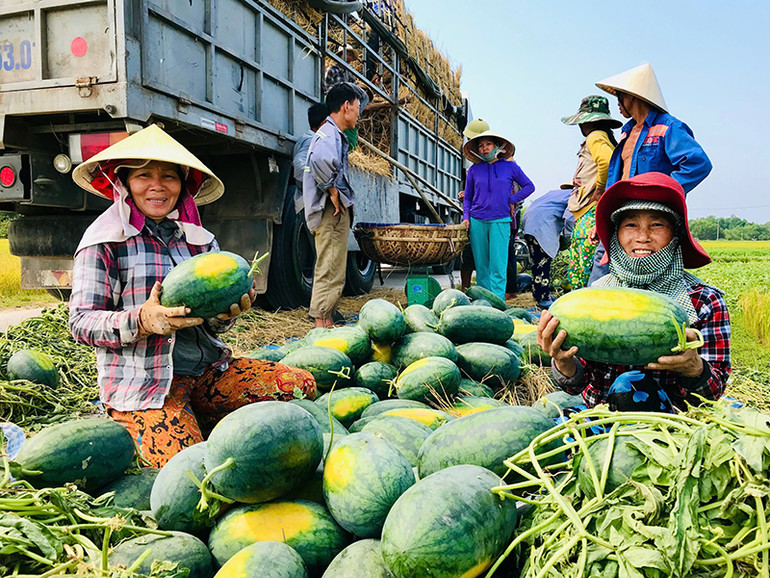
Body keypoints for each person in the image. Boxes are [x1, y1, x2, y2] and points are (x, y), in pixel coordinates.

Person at [69, 125, 316, 467]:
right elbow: (80, 323)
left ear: (183, 184)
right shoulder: (104, 241)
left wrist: (225, 316)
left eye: (169, 176)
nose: (157, 185)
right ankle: (146, 422)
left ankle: (199, 415)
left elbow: (210, 325)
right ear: (124, 182)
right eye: (144, 175)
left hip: (206, 373)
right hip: (146, 386)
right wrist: (141, 320)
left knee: (298, 386)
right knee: (192, 471)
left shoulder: (201, 242)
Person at [537, 172, 730, 411]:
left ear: (676, 235)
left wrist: (695, 369)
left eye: (657, 224)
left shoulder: (705, 301)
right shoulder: (596, 296)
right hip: (603, 423)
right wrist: (564, 363)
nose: (642, 237)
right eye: (630, 225)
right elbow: (578, 386)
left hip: (675, 430)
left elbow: (715, 392)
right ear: (616, 234)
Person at [588, 63, 713, 284]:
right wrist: (602, 219)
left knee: (653, 277)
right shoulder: (626, 133)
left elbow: (698, 163)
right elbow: (616, 180)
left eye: (620, 96)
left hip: (654, 217)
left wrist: (661, 192)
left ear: (633, 96)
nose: (618, 103)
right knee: (603, 268)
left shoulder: (668, 127)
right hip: (622, 214)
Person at [303, 83, 360, 329]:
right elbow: (319, 159)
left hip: (332, 209)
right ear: (346, 107)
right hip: (329, 210)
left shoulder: (333, 134)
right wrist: (332, 189)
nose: (359, 113)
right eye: (357, 108)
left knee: (334, 264)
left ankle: (325, 319)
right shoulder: (329, 133)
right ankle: (321, 324)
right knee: (329, 266)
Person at [461, 130, 535, 301]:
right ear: (477, 150)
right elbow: (468, 197)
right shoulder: (473, 170)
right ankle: (484, 303)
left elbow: (529, 186)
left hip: (501, 220)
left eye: (488, 144)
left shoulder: (510, 167)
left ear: (497, 147)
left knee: (498, 264)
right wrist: (466, 217)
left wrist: (512, 199)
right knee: (482, 265)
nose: (484, 148)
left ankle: (498, 302)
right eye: (480, 146)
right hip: (477, 220)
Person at [561, 95, 620, 289]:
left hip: (590, 211)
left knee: (582, 263)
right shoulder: (605, 137)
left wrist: (600, 190)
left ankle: (581, 304)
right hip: (589, 211)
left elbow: (606, 161)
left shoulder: (594, 137)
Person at [519, 187, 575, 308]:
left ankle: (541, 294)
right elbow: (570, 217)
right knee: (543, 263)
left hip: (529, 223)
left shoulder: (554, 193)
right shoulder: (574, 195)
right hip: (542, 225)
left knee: (537, 262)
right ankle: (543, 298)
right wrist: (571, 237)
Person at [458, 118, 490, 290]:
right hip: (477, 217)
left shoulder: (502, 164)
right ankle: (466, 289)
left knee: (493, 258)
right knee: (470, 254)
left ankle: (497, 293)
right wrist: (466, 212)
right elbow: (471, 195)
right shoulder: (473, 169)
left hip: (498, 218)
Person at [324, 44, 369, 151]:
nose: (349, 58)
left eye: (350, 55)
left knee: (365, 97)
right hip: (335, 98)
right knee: (361, 94)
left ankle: (356, 115)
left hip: (346, 102)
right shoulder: (332, 69)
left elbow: (355, 93)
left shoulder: (349, 74)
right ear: (340, 55)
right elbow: (327, 88)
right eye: (347, 54)